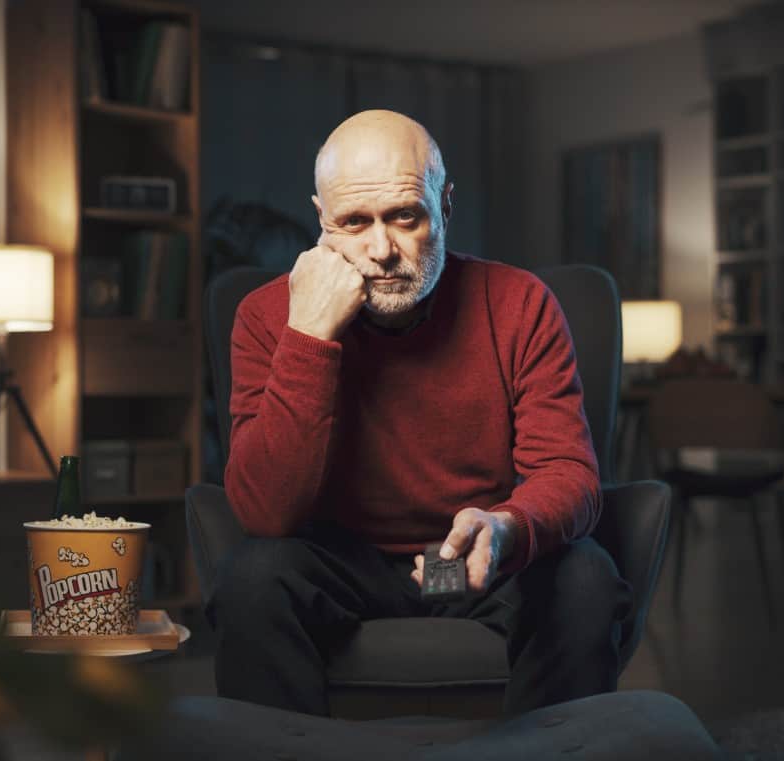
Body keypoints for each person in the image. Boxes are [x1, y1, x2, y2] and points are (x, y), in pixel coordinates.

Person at [207, 109, 631, 717]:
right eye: (354, 223)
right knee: (253, 576)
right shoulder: (267, 316)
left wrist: (507, 526)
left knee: (584, 578)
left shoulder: (519, 304)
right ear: (321, 221)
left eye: (405, 216)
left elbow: (569, 473)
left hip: (470, 559)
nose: (381, 250)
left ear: (445, 203)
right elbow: (264, 511)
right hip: (340, 563)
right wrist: (310, 335)